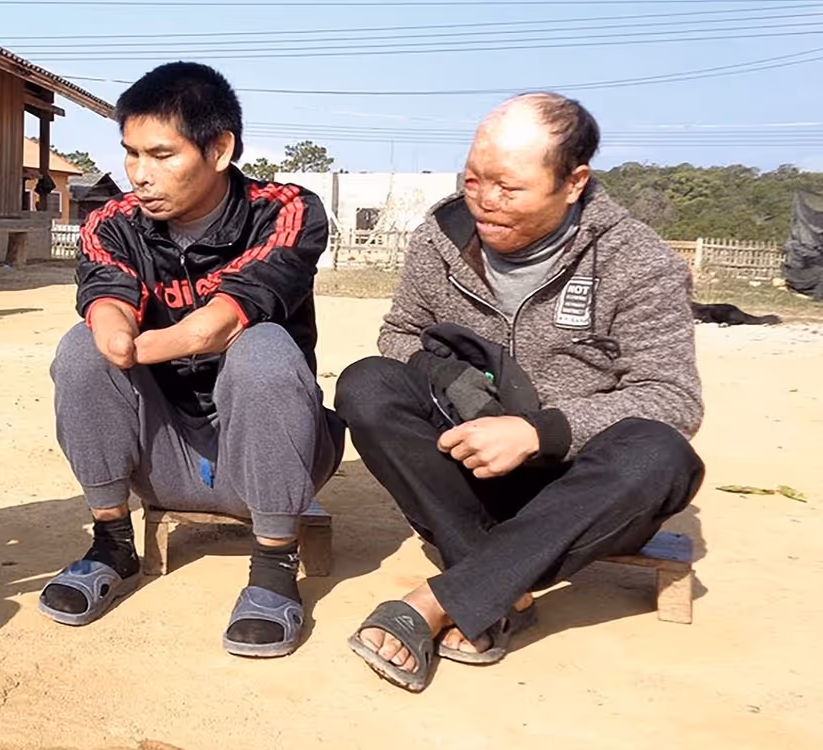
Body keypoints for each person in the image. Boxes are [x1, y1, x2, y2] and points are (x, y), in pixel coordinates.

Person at [335, 93, 705, 692]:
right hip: (466, 471)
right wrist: (455, 384)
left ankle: (448, 596)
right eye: (474, 179)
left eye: (509, 188)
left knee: (661, 454)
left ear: (573, 181)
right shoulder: (442, 237)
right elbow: (399, 334)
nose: (484, 201)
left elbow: (672, 396)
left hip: (577, 492)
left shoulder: (635, 260)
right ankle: (503, 581)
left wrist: (540, 431)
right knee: (365, 383)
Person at [40, 61, 343, 658]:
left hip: (273, 457)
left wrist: (133, 347)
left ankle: (275, 571)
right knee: (80, 348)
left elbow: (220, 321)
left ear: (220, 148)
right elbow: (105, 299)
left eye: (161, 155)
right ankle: (110, 542)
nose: (140, 176)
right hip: (161, 455)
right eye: (130, 154)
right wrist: (110, 328)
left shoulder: (284, 211)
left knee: (261, 346)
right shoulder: (113, 221)